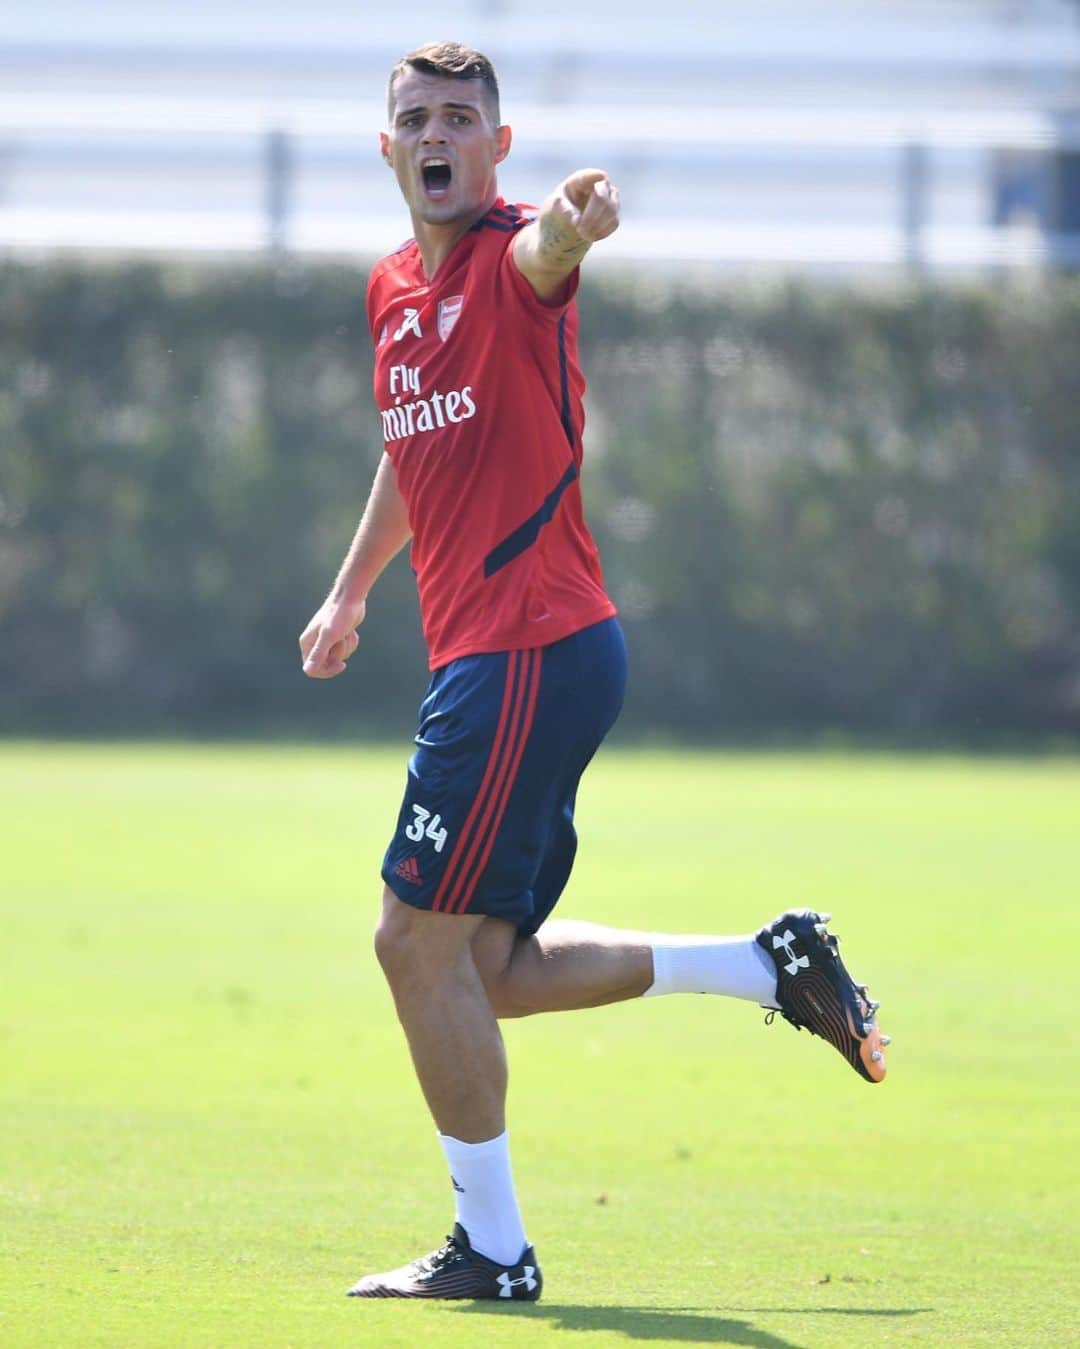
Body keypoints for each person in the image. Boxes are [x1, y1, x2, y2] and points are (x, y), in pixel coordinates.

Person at [299, 41, 890, 1303]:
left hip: (527, 646)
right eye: (418, 117)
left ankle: (496, 1251)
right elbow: (411, 449)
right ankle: (763, 960)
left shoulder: (515, 259)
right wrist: (354, 588)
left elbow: (543, 257)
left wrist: (572, 223)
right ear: (389, 146)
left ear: (497, 147)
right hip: (512, 658)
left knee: (413, 944)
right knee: (484, 972)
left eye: (463, 114)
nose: (440, 131)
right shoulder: (392, 290)